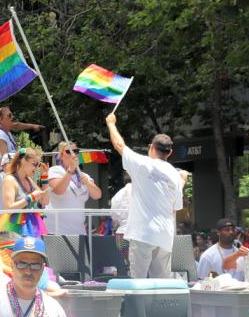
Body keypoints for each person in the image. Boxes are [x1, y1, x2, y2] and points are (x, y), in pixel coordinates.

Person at [105, 113, 182, 278]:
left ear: (151, 147)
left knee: (138, 282)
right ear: (169, 152)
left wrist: (111, 123)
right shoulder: (175, 175)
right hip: (165, 235)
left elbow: (119, 145)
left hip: (143, 233)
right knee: (162, 283)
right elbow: (175, 209)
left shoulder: (142, 164)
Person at [45, 141, 102, 235]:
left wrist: (88, 183)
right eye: (69, 151)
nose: (73, 154)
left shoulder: (83, 175)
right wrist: (70, 170)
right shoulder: (55, 170)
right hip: (57, 230)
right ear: (61, 155)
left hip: (78, 230)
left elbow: (97, 195)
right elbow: (58, 190)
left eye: (76, 151)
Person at [0, 148, 49, 238]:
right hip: (14, 227)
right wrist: (31, 197)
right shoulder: (9, 179)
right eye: (34, 164)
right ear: (23, 161)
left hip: (31, 225)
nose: (36, 168)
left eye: (38, 165)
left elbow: (45, 201)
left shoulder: (29, 180)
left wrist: (45, 177)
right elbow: (9, 207)